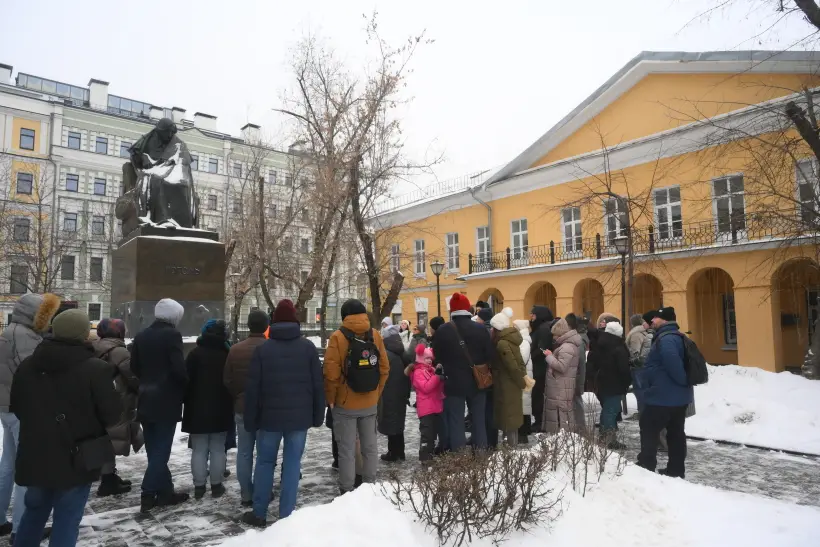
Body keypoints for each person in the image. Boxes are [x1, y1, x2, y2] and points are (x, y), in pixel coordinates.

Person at [11, 309, 121, 546]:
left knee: (34, 512)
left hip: (35, 453)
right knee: (67, 519)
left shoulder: (28, 366)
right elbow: (112, 415)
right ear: (83, 334)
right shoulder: (97, 369)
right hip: (76, 457)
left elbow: (18, 407)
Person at [242, 300, 324, 526]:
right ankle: (286, 516)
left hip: (269, 419)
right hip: (299, 419)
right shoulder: (308, 348)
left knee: (265, 462)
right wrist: (318, 415)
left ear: (273, 321)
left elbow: (253, 389)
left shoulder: (263, 350)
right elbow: (318, 385)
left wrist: (250, 419)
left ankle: (259, 513)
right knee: (292, 464)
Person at [0, 293, 60, 537]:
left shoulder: (9, 332)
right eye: (47, 314)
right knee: (27, 469)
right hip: (23, 409)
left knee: (8, 466)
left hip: (8, 407)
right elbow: (35, 375)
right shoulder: (24, 336)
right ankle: (22, 529)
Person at [131, 298, 190, 512]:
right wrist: (184, 386)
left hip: (146, 397)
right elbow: (178, 368)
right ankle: (147, 493)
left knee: (154, 449)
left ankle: (165, 492)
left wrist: (148, 380)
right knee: (161, 451)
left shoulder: (141, 335)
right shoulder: (172, 335)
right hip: (166, 399)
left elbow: (134, 366)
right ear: (174, 316)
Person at [324, 300, 389, 494]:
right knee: (370, 447)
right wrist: (376, 393)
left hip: (345, 404)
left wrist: (331, 399)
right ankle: (370, 487)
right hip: (369, 402)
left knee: (346, 450)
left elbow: (331, 374)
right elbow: (384, 368)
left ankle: (346, 490)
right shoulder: (375, 334)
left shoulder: (337, 337)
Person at [432, 294, 495, 451]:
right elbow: (489, 354)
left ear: (452, 310)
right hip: (478, 381)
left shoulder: (443, 330)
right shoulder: (480, 329)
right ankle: (480, 455)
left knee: (456, 421)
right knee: (479, 420)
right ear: (468, 309)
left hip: (453, 382)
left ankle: (459, 458)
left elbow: (437, 355)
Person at [637, 307, 694, 479]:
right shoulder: (677, 336)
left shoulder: (667, 339)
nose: (652, 320)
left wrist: (681, 380)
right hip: (677, 396)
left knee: (648, 428)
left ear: (665, 320)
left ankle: (646, 466)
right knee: (676, 433)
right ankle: (676, 470)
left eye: (656, 318)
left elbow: (672, 362)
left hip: (663, 396)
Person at [182, 320, 233, 500]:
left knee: (199, 449)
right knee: (218, 448)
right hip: (221, 407)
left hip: (196, 408)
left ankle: (199, 486)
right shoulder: (227, 354)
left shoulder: (194, 354)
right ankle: (216, 485)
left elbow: (185, 381)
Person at [224, 310, 269, 507]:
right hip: (266, 408)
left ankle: (246, 494)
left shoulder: (235, 349)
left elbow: (227, 379)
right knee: (264, 454)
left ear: (248, 325)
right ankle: (261, 491)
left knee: (244, 452)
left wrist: (239, 395)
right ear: (266, 326)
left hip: (242, 406)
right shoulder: (270, 348)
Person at [92, 318, 142, 497]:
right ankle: (107, 480)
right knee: (111, 441)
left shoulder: (95, 347)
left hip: (98, 400)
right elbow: (132, 376)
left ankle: (109, 476)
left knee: (104, 438)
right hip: (118, 401)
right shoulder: (119, 351)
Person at [587, 317, 631, 448]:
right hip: (615, 383)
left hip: (601, 382)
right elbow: (624, 369)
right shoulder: (618, 346)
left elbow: (592, 362)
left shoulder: (599, 343)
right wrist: (628, 381)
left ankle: (603, 437)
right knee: (611, 411)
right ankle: (609, 440)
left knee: (607, 410)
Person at [489, 310, 526, 446]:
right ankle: (511, 447)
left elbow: (512, 365)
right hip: (511, 384)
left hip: (507, 385)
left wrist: (521, 381)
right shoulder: (510, 340)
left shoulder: (502, 343)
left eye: (493, 327)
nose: (491, 330)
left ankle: (510, 449)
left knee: (508, 419)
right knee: (511, 419)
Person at [378, 325, 412, 462]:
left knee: (390, 422)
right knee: (398, 422)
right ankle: (400, 452)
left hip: (388, 392)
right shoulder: (401, 350)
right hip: (401, 392)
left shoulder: (386, 353)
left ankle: (393, 453)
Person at [406, 344, 445, 461]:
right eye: (427, 358)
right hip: (426, 409)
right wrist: (437, 377)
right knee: (427, 435)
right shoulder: (418, 372)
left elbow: (438, 388)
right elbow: (426, 388)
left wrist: (441, 377)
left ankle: (430, 455)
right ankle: (425, 458)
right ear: (420, 358)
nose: (429, 360)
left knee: (432, 435)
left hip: (435, 406)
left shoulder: (431, 370)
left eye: (430, 358)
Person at [542, 318, 582, 433]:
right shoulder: (569, 346)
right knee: (564, 413)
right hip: (563, 385)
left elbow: (561, 366)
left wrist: (549, 356)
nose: (554, 337)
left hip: (560, 386)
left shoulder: (566, 347)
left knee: (560, 415)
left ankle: (561, 439)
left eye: (555, 334)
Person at [529, 306, 555, 433]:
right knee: (537, 395)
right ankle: (539, 420)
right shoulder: (540, 328)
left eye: (533, 314)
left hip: (539, 368)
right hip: (538, 367)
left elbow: (541, 349)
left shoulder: (543, 329)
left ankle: (540, 421)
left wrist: (530, 356)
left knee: (538, 396)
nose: (531, 317)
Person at [565, 314, 588, 431]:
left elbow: (580, 363)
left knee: (576, 403)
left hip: (575, 377)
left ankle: (580, 430)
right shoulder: (574, 338)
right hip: (573, 376)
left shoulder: (577, 340)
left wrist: (580, 382)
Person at [513, 320, 533, 444]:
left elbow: (522, 359)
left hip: (524, 376)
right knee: (523, 404)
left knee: (524, 404)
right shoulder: (522, 341)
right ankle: (523, 431)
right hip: (523, 375)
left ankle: (523, 433)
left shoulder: (524, 342)